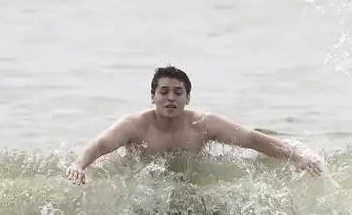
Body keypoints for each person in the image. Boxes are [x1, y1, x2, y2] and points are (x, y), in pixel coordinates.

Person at [65, 66, 323, 184]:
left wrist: (295, 157)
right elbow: (100, 145)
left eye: (178, 92)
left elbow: (252, 139)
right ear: (152, 96)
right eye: (163, 91)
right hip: (141, 185)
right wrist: (79, 165)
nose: (170, 98)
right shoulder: (135, 125)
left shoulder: (202, 124)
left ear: (188, 98)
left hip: (187, 182)